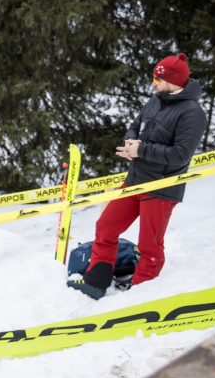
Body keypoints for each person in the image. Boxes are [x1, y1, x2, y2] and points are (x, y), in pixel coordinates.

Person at [68, 53, 206, 299]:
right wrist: (131, 142)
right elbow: (135, 124)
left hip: (162, 187)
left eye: (157, 79)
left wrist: (140, 150)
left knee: (149, 244)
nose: (154, 83)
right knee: (106, 226)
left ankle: (142, 294)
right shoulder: (156, 101)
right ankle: (96, 280)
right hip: (135, 180)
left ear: (172, 80)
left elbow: (181, 155)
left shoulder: (192, 113)